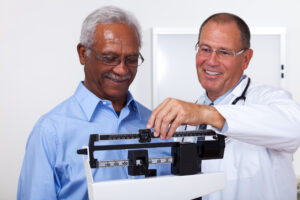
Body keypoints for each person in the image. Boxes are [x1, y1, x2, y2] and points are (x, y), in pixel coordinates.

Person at [17, 6, 170, 199]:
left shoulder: (158, 125)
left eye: (131, 59)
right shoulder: (50, 132)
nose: (122, 70)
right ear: (83, 54)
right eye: (109, 58)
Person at [147, 13, 300, 199]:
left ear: (246, 59)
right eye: (205, 49)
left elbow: (294, 127)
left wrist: (209, 114)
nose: (211, 61)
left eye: (224, 52)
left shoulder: (268, 99)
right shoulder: (189, 115)